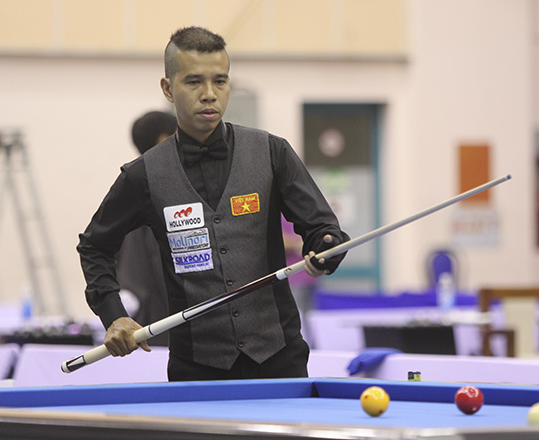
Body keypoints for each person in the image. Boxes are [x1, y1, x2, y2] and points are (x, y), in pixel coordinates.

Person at [77, 26, 349, 382]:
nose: (209, 94)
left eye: (220, 81)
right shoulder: (143, 175)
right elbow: (94, 246)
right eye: (194, 82)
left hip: (279, 358)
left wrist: (325, 248)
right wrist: (114, 314)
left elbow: (324, 230)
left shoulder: (272, 152)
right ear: (168, 88)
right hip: (196, 368)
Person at [114, 110, 178, 346]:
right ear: (164, 140)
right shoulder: (163, 194)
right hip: (163, 326)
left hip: (142, 326)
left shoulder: (125, 191)